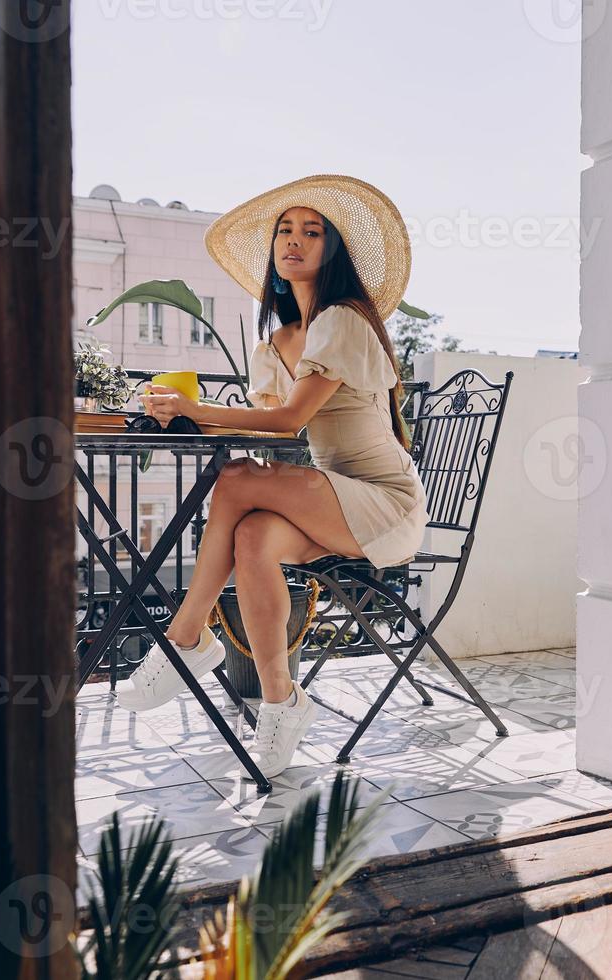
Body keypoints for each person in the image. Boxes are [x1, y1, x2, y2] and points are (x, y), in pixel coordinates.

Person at [121, 174, 429, 779]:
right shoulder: (277, 344)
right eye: (285, 231)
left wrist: (196, 408)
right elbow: (268, 430)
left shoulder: (344, 319)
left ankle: (187, 635)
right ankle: (281, 703)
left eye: (311, 232)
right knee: (253, 536)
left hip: (383, 505)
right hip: (333, 503)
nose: (294, 240)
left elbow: (289, 418)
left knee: (235, 483)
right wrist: (174, 411)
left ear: (332, 251)